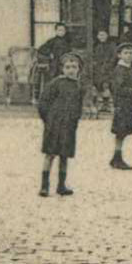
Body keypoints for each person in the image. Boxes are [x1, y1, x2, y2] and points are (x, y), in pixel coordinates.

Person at [38, 54, 85, 197]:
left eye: (74, 67)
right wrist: (49, 119)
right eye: (68, 67)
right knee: (50, 154)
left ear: (79, 69)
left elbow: (78, 106)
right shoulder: (56, 83)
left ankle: (61, 185)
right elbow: (43, 102)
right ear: (62, 69)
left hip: (69, 126)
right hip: (54, 124)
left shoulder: (78, 86)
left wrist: (75, 120)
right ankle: (44, 186)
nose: (71, 70)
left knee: (64, 155)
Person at [108, 44, 132, 170]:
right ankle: (117, 159)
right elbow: (117, 89)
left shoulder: (129, 69)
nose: (129, 55)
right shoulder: (120, 70)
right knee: (121, 131)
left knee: (123, 132)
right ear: (119, 55)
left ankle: (116, 157)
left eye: (131, 53)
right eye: (126, 53)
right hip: (121, 105)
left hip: (128, 105)